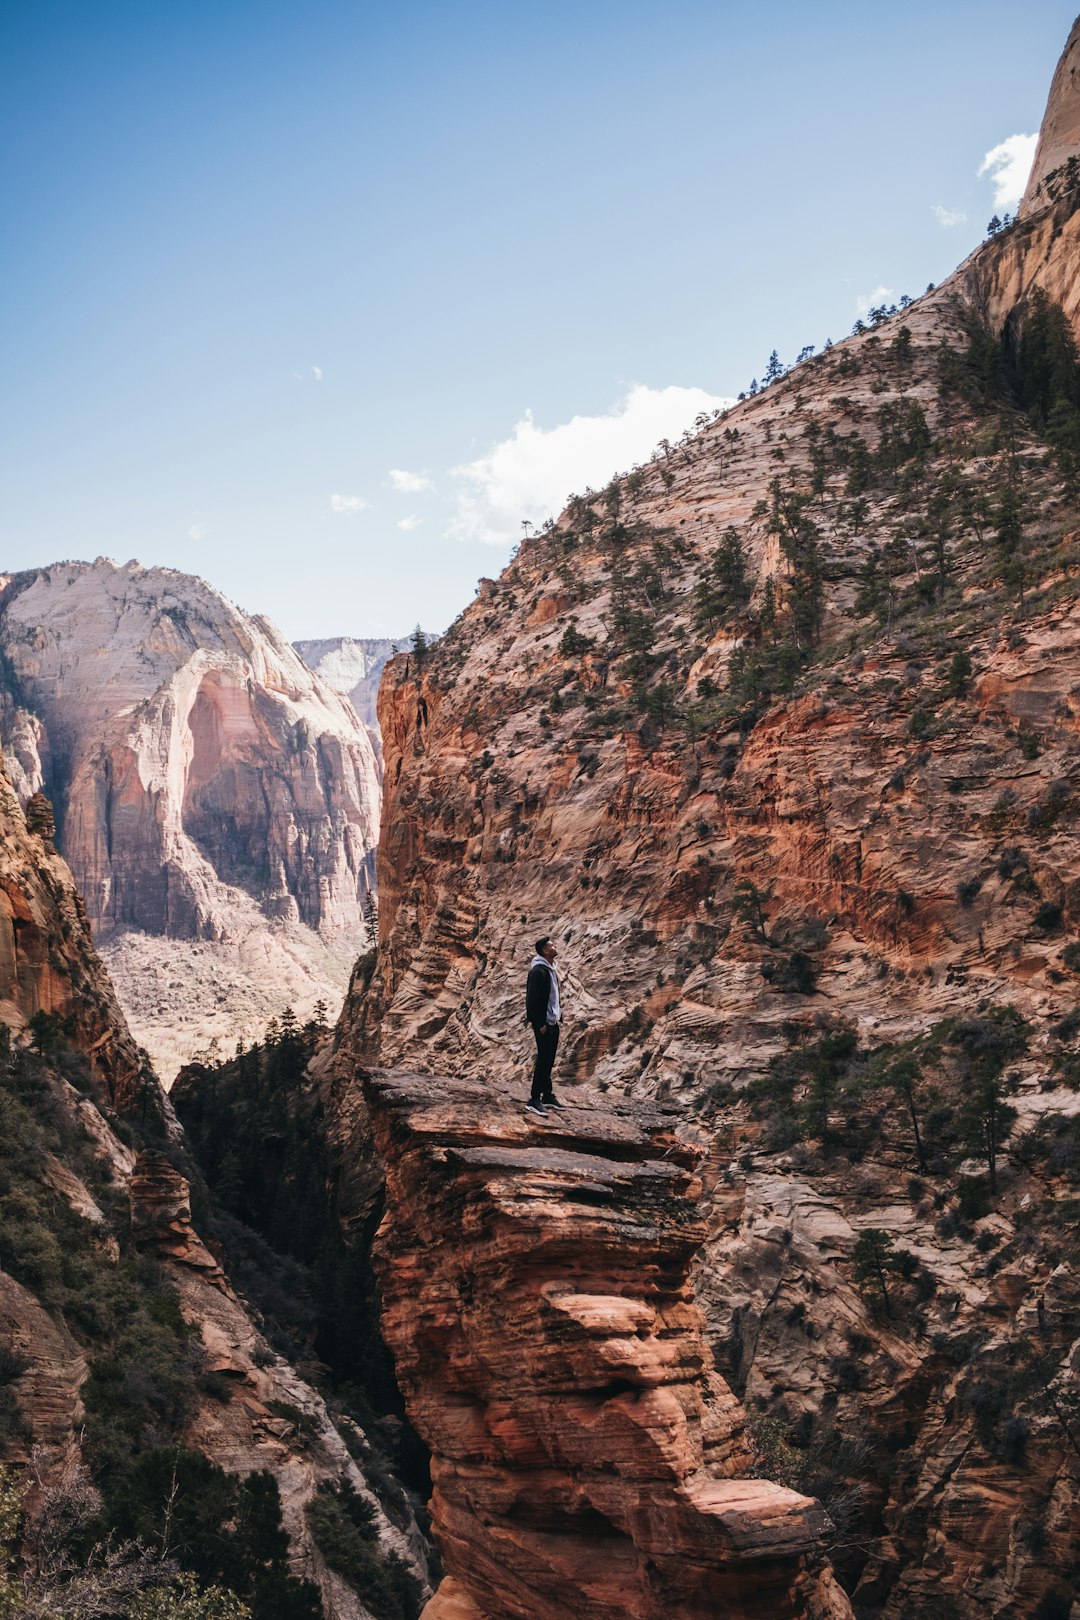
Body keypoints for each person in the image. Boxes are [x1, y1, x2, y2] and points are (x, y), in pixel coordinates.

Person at [524, 936, 563, 1117]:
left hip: (553, 1022)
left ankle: (547, 1095)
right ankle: (534, 1099)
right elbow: (531, 1001)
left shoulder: (550, 969)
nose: (556, 947)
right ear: (545, 951)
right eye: (552, 945)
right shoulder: (538, 971)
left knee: (549, 1060)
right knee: (543, 1061)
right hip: (544, 1024)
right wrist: (540, 1023)